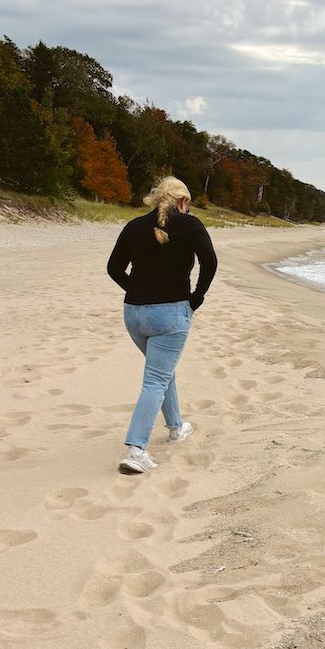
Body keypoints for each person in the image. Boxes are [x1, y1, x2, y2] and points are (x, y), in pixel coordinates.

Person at [107, 176, 217, 474]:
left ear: (155, 200)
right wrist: (196, 299)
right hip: (169, 314)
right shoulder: (191, 225)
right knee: (156, 379)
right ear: (183, 202)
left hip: (134, 313)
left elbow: (114, 268)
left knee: (161, 371)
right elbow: (210, 263)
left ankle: (176, 427)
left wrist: (138, 291)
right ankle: (135, 449)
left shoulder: (133, 226)